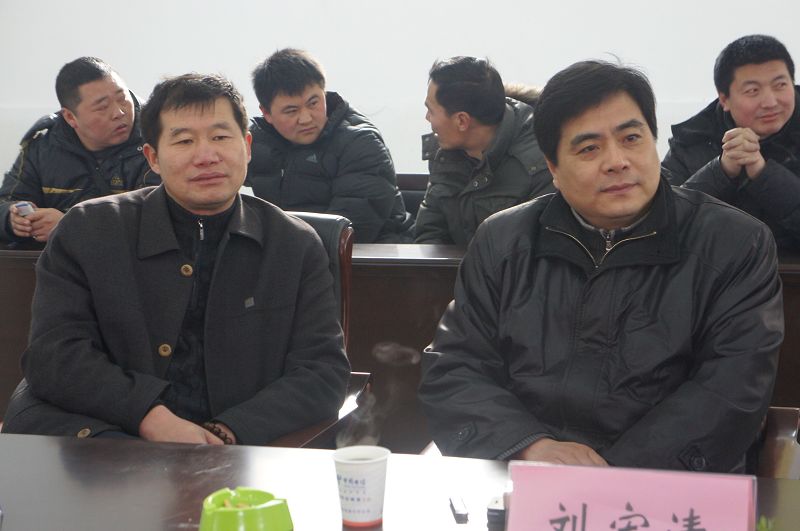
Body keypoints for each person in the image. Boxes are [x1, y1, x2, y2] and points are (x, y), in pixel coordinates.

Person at [418, 60, 783, 472]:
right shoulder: (503, 240)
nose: (616, 161)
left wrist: (605, 478)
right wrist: (530, 446)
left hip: (669, 484)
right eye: (589, 148)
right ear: (553, 168)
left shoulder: (735, 243)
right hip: (529, 474)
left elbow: (730, 391)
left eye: (631, 138)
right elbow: (455, 367)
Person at [2, 73, 350, 445]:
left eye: (220, 137)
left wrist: (225, 432)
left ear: (247, 146)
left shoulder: (294, 244)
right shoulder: (88, 230)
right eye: (184, 141)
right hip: (103, 439)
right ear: (152, 157)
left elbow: (322, 372)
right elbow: (55, 355)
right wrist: (148, 416)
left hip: (232, 451)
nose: (206, 156)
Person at [248, 48, 412, 243]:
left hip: (371, 254)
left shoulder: (360, 142)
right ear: (266, 113)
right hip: (293, 250)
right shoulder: (256, 142)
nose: (306, 118)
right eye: (291, 111)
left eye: (313, 103)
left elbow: (348, 230)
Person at [662, 35, 800, 249]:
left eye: (780, 85)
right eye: (753, 91)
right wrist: (721, 170)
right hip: (719, 269)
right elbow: (662, 225)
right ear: (724, 99)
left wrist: (764, 174)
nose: (770, 102)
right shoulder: (691, 140)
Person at [0, 57, 157, 243]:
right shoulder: (44, 146)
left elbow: (155, 219)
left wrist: (71, 226)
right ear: (70, 117)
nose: (119, 113)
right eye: (102, 107)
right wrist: (12, 219)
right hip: (54, 260)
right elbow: (6, 201)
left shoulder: (155, 138)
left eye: (122, 98)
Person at [414, 56, 554, 245]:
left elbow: (537, 249)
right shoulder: (444, 153)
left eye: (431, 111)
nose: (427, 118)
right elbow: (429, 233)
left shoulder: (539, 164)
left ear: (461, 121)